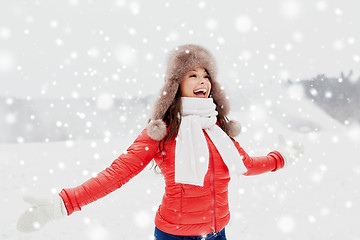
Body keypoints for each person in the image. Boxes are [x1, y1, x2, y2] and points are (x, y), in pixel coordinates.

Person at [17, 44, 303, 239]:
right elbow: (117, 173)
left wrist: (282, 157)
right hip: (175, 234)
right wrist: (64, 203)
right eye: (192, 74)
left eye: (206, 75)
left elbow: (246, 164)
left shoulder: (217, 130)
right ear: (176, 84)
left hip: (217, 233)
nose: (202, 80)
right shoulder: (163, 131)